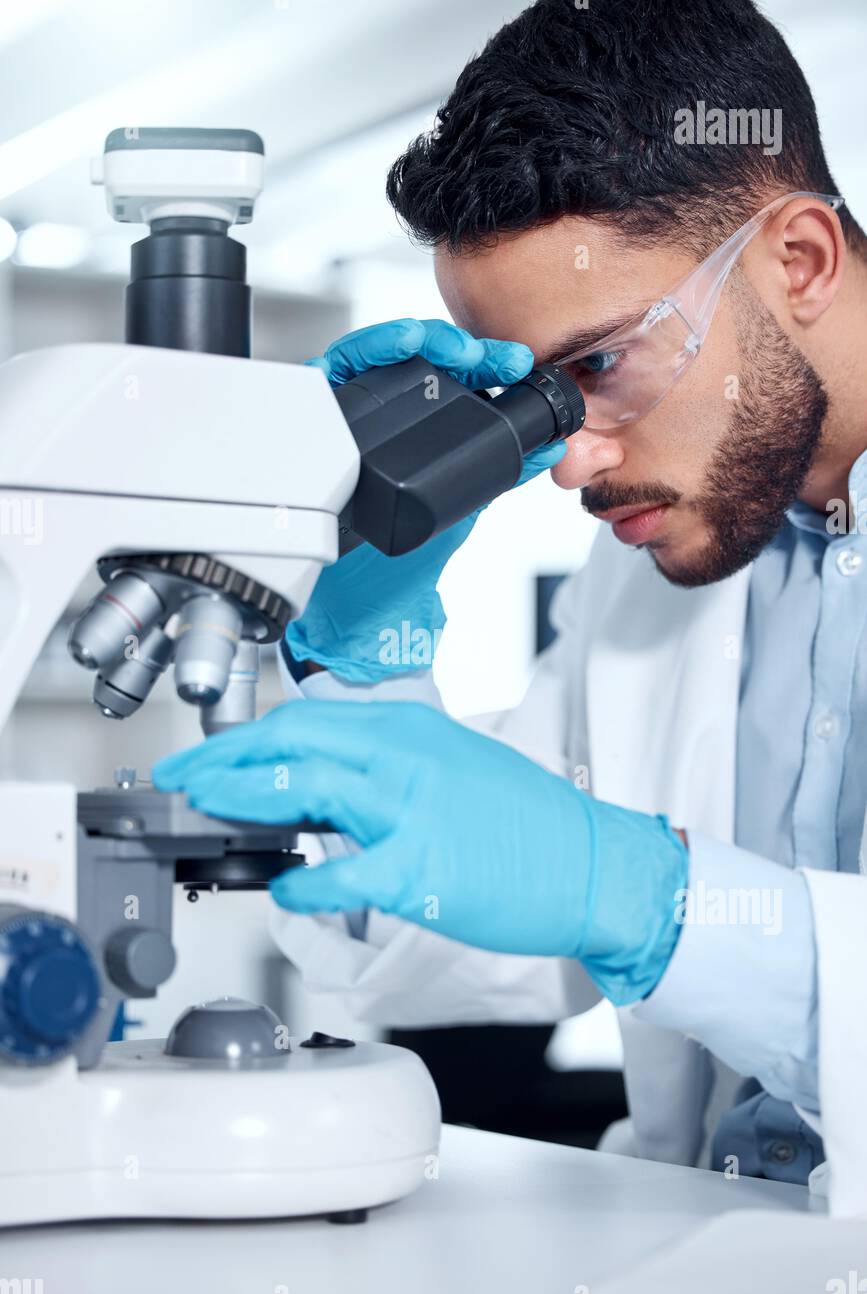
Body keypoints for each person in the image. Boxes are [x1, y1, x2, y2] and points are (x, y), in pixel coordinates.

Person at [154, 0, 867, 1214]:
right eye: (537, 402)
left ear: (797, 260)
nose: (574, 465)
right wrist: (363, 646)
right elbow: (478, 932)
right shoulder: (655, 568)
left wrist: (655, 895)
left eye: (599, 365)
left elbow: (616, 893)